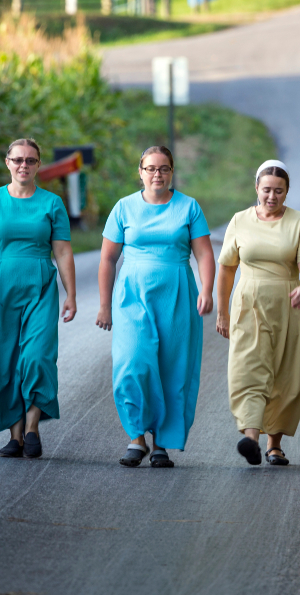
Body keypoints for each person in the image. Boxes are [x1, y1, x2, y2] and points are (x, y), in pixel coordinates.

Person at [96, 146, 215, 468]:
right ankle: (136, 437)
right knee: (132, 362)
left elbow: (204, 254)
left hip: (176, 293)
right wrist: (105, 305)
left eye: (163, 169)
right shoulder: (124, 208)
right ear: (140, 172)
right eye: (150, 169)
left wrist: (206, 290)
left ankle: (161, 442)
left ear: (172, 172)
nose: (156, 174)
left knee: (171, 368)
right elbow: (108, 259)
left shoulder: (188, 207)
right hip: (132, 295)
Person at [0, 138, 77, 459]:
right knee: (4, 360)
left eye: (30, 160)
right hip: (0, 286)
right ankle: (15, 436)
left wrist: (71, 294)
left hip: (40, 284)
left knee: (37, 356)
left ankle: (32, 427)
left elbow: (62, 250)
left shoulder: (52, 203)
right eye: (18, 160)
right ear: (8, 163)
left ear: (38, 165)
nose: (23, 166)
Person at [216, 159, 300, 466]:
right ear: (256, 188)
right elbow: (226, 269)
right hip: (248, 305)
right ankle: (251, 439)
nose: (272, 197)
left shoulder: (299, 221)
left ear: (287, 192)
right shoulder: (240, 220)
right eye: (267, 190)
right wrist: (222, 311)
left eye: (279, 191)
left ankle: (275, 445)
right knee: (247, 368)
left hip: (288, 305)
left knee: (287, 374)